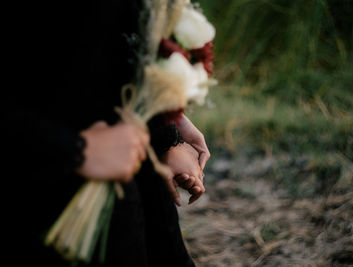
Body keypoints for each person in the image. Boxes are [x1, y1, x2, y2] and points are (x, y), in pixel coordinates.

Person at [4, 0, 210, 266]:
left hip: (121, 158)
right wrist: (77, 149)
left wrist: (165, 126)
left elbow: (114, 46)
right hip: (45, 175)